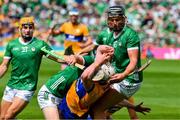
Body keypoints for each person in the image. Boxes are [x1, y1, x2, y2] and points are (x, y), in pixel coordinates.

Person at [81, 5, 144, 119]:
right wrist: (78, 53)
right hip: (115, 77)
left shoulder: (130, 35)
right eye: (111, 20)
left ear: (124, 19)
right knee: (96, 105)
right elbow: (93, 47)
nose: (114, 22)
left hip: (129, 79)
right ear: (107, 20)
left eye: (117, 19)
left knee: (97, 108)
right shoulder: (107, 34)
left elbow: (133, 61)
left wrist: (124, 75)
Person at [0, 16, 62, 119]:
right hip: (11, 85)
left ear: (33, 29)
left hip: (27, 87)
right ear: (20, 29)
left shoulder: (40, 44)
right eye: (25, 27)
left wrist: (72, 58)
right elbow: (3, 66)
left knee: (8, 116)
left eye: (30, 27)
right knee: (2, 118)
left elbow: (58, 58)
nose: (27, 30)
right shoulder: (11, 45)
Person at [37, 45, 114, 119]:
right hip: (50, 92)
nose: (107, 58)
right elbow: (79, 58)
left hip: (64, 96)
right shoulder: (91, 60)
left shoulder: (101, 70)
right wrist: (74, 57)